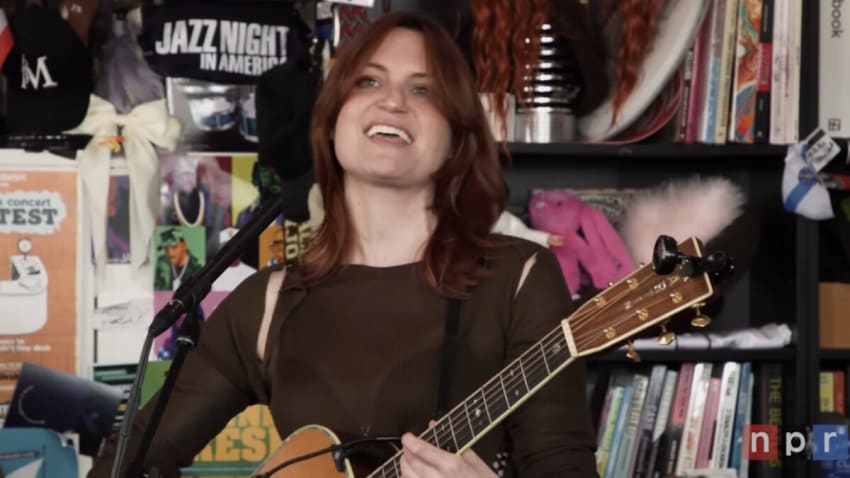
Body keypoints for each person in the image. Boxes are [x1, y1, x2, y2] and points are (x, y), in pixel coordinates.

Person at [89, 11, 597, 478]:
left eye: (424, 91)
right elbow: (129, 458)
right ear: (332, 119)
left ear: (456, 139)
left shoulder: (520, 278)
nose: (393, 100)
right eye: (369, 81)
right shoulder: (269, 302)